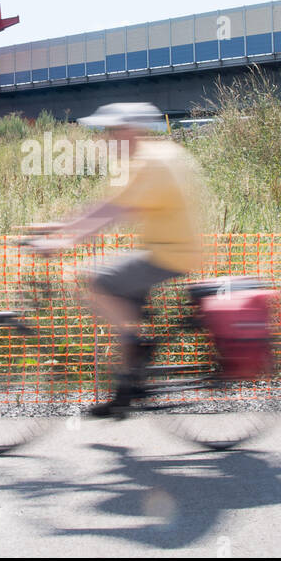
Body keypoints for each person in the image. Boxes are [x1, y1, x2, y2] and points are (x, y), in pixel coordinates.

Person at [26, 102, 205, 417]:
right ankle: (125, 391)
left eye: (111, 132)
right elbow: (107, 206)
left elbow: (111, 214)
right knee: (121, 303)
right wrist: (57, 229)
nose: (106, 139)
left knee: (95, 279)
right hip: (167, 247)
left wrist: (62, 243)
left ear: (129, 131)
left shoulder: (150, 162)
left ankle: (135, 345)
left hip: (169, 253)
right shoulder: (153, 156)